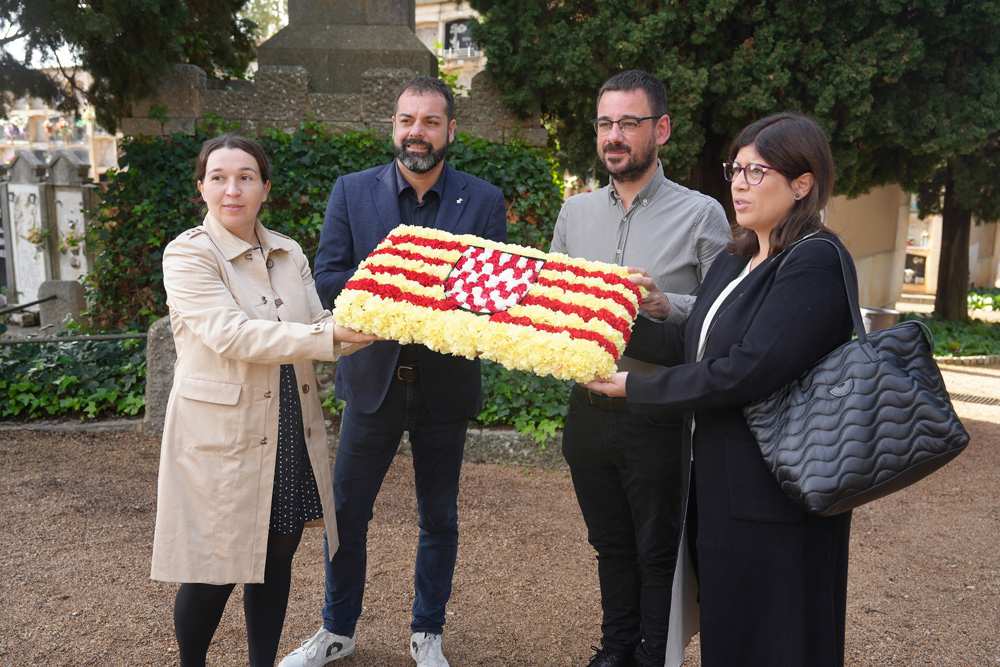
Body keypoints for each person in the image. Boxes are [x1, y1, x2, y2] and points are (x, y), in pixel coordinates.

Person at [586, 112, 855, 666]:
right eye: (736, 169)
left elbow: (746, 371)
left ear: (802, 183)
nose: (738, 183)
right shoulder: (737, 257)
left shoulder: (814, 260)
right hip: (719, 484)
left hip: (783, 488)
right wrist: (603, 323)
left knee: (779, 639)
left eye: (757, 172)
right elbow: (695, 347)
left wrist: (636, 386)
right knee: (729, 633)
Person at [281, 76, 507, 667]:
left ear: (450, 129)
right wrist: (396, 295)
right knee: (346, 513)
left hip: (445, 387)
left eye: (430, 121)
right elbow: (328, 277)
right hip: (371, 383)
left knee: (439, 517)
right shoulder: (351, 191)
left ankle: (427, 633)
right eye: (407, 120)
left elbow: (489, 296)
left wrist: (427, 300)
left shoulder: (484, 200)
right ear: (393, 126)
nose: (417, 132)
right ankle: (337, 630)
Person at [150, 134, 375, 666]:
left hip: (287, 419)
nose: (233, 189)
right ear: (201, 187)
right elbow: (233, 335)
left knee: (277, 557)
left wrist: (377, 321)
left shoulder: (288, 251)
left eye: (246, 177)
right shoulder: (187, 254)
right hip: (221, 433)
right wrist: (330, 336)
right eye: (219, 177)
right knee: (213, 571)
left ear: (265, 188)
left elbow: (317, 322)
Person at [549, 70, 730, 667]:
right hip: (586, 407)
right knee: (609, 543)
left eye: (629, 123)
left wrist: (663, 304)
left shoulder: (702, 214)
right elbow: (550, 300)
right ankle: (616, 650)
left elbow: (725, 313)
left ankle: (657, 656)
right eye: (605, 123)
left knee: (657, 549)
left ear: (662, 129)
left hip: (657, 406)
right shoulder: (574, 213)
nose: (614, 136)